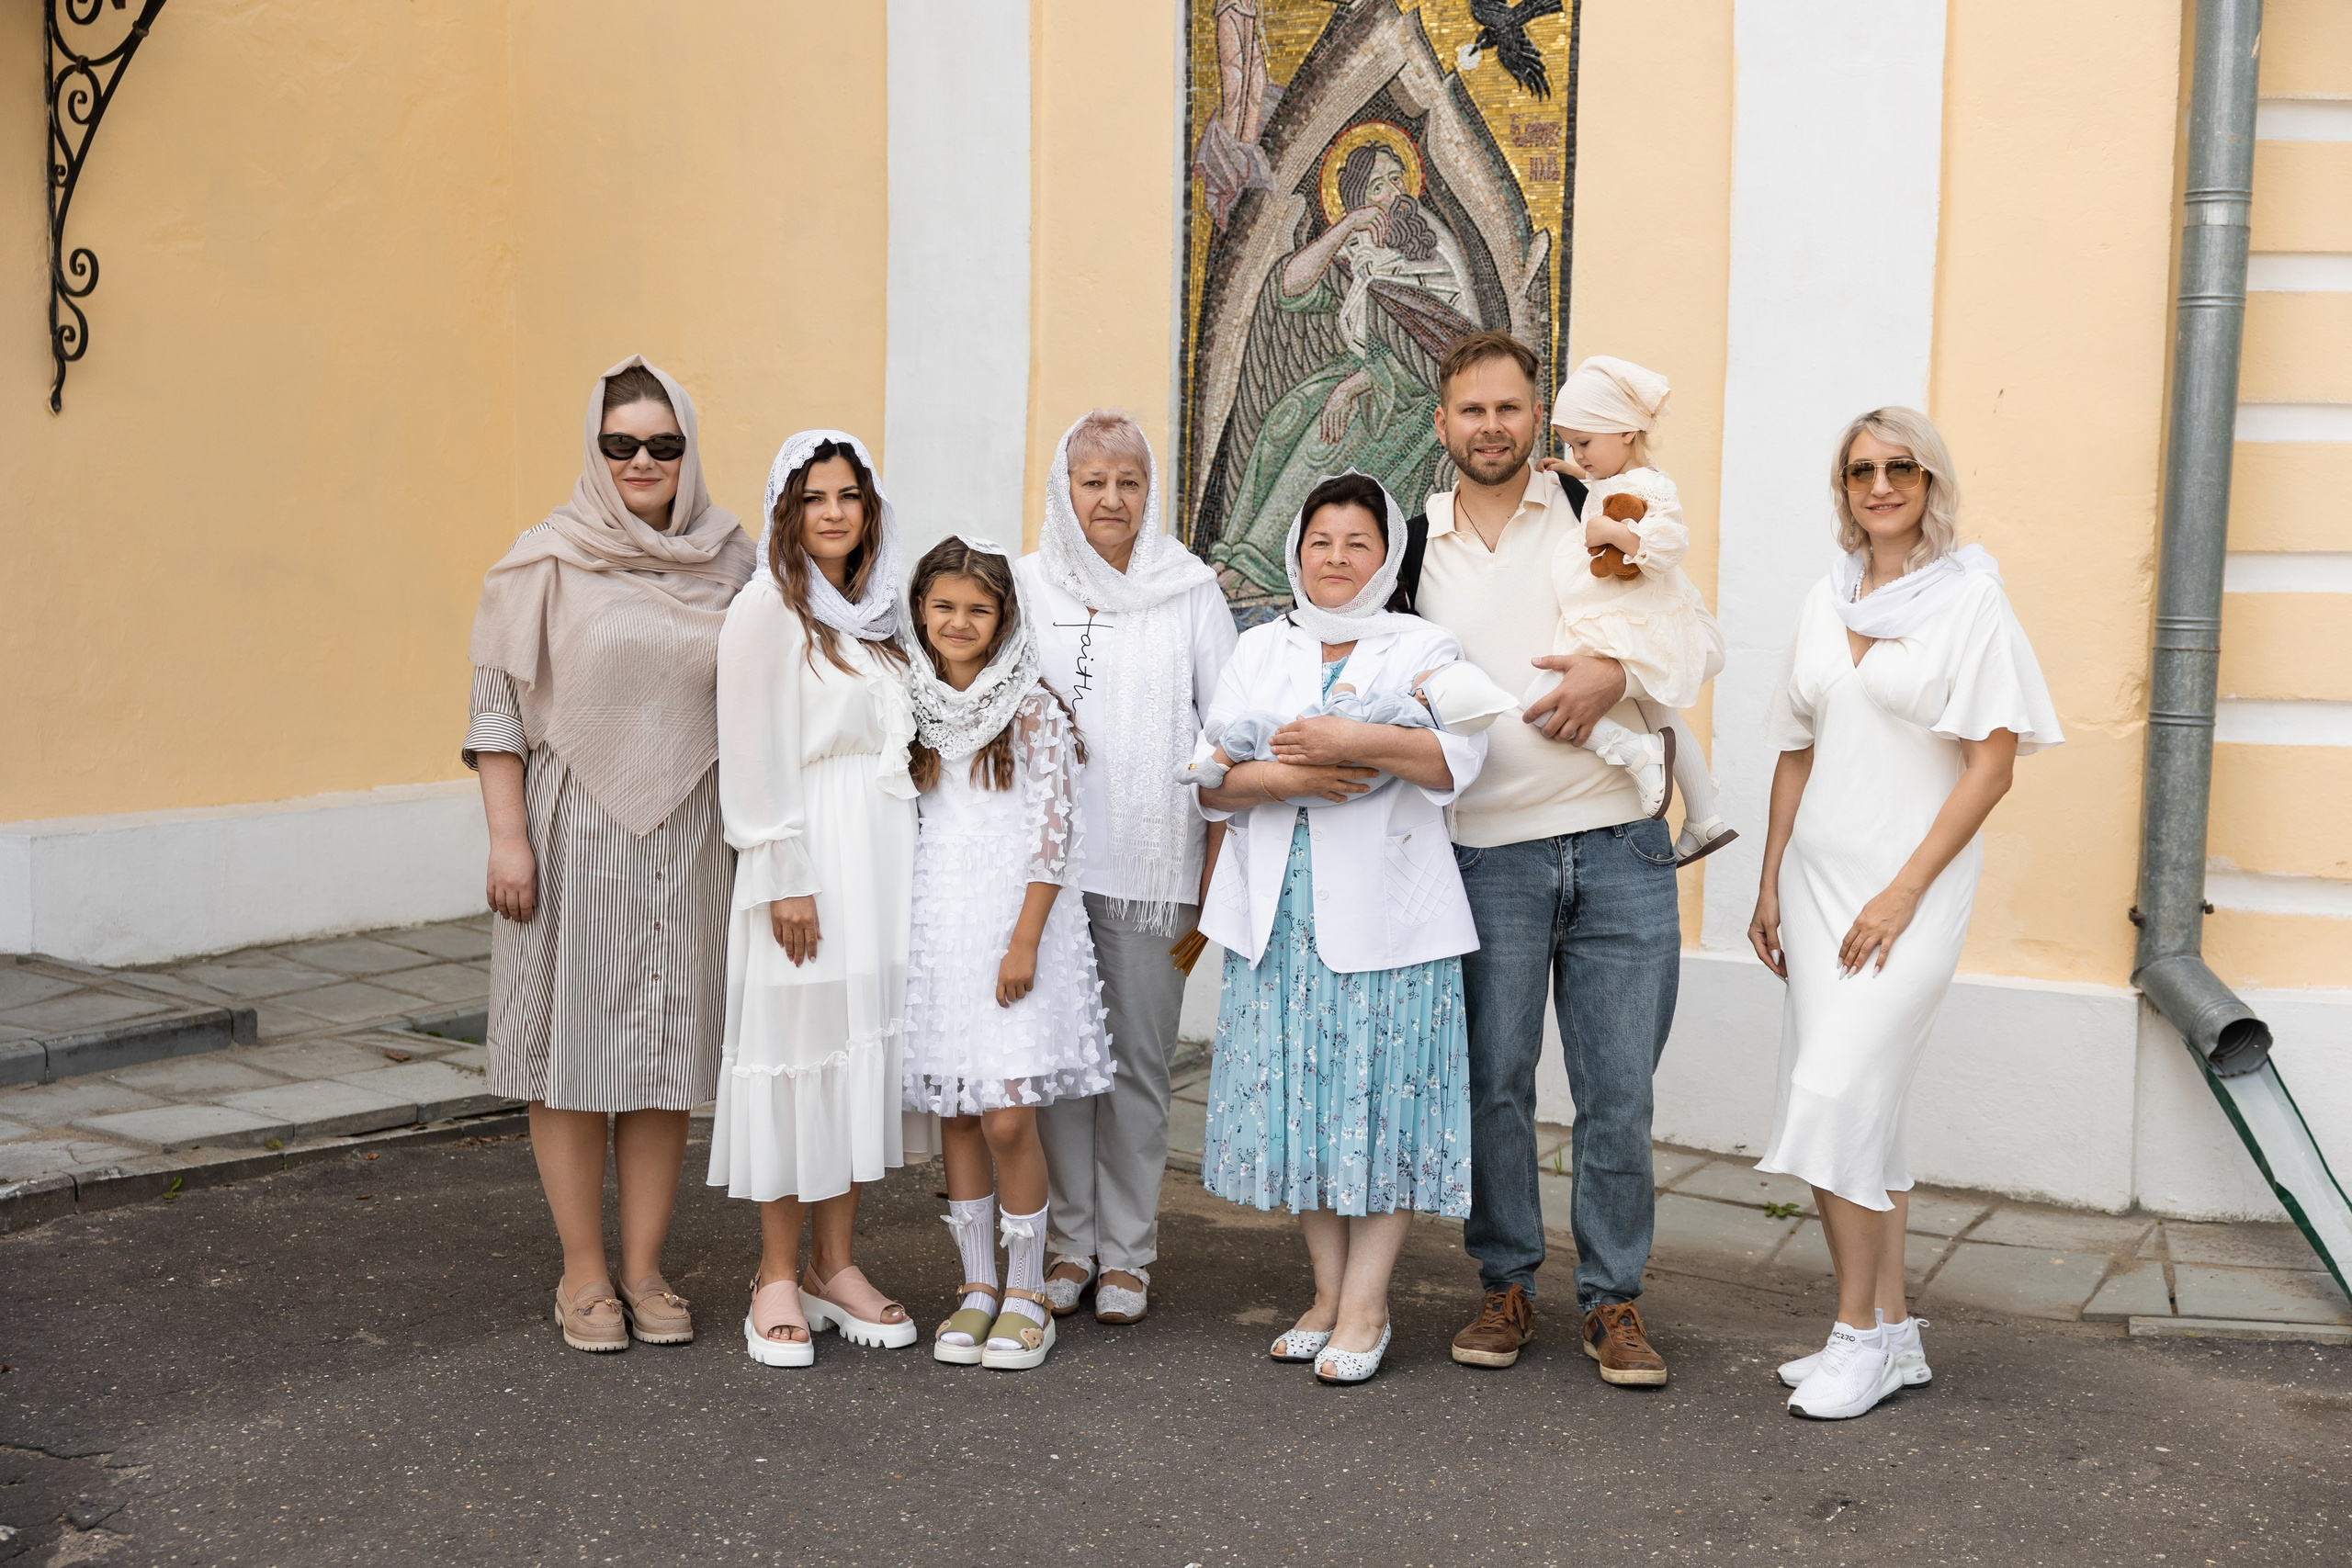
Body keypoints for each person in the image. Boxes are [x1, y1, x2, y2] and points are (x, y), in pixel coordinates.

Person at [1404, 331, 1707, 1387]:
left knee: (1618, 1090)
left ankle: (1613, 1301)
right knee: (1493, 1083)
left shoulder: (1602, 511)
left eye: (1509, 408)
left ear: (1539, 419)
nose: (1491, 426)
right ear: (1440, 425)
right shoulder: (1409, 549)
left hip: (1620, 842)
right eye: (1470, 411)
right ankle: (1503, 1283)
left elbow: (1696, 642)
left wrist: (1607, 669)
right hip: (1484, 859)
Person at [1748, 408, 2061, 1420]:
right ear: (1841, 489)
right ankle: (1891, 1336)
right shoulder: (1822, 597)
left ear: (1930, 481)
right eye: (1859, 471)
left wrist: (1903, 889)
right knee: (1864, 1116)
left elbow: (1992, 767)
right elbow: (1794, 748)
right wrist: (1766, 883)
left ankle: (1854, 1338)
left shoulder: (1969, 601)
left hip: (1907, 891)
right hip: (1816, 883)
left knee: (1835, 1094)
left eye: (1899, 468)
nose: (1879, 485)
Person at [465, 355, 754, 1353]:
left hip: (689, 836)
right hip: (570, 831)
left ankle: (643, 1266)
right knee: (573, 1059)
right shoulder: (542, 561)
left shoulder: (732, 561)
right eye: (621, 443)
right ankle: (582, 1272)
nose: (642, 460)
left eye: (662, 445)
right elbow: (497, 712)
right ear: (595, 449)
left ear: (688, 454)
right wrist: (508, 838)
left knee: (663, 1057)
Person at [1191, 472, 1486, 1385]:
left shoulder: (1422, 647)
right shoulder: (1259, 648)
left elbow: (1457, 756)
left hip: (1391, 917)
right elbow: (1208, 776)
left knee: (1381, 1103)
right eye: (1321, 540)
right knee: (1303, 1109)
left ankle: (1368, 1305)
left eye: (1357, 543)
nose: (1335, 559)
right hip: (1278, 913)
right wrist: (1286, 778)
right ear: (1297, 548)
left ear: (1387, 556)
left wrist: (1343, 743)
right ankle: (1324, 1295)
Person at [709, 429, 933, 1367]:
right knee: (797, 1052)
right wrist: (783, 876)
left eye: (848, 495)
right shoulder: (767, 609)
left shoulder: (878, 616)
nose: (833, 512)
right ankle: (772, 1274)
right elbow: (751, 751)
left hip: (880, 856)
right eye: (813, 498)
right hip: (807, 860)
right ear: (785, 513)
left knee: (850, 1060)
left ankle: (835, 1267)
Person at [1018, 412, 1238, 1327]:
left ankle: (1129, 1255)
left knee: (1140, 1068)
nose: (1110, 499)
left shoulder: (1189, 591)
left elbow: (1228, 738)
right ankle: (1069, 1245)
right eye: (1091, 481)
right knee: (1064, 1069)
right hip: (1045, 876)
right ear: (1063, 492)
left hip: (1156, 871)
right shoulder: (1027, 586)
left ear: (1150, 493)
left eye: (1128, 482)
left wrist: (1215, 879)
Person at [899, 538, 1114, 1371]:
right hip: (941, 928)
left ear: (1004, 619)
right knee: (957, 1109)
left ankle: (1029, 1292)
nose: (959, 622)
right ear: (921, 611)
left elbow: (1054, 837)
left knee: (1008, 1113)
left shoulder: (1031, 707)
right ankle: (977, 1284)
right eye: (944, 606)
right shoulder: (913, 702)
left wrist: (1024, 939)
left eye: (978, 609)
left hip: (1018, 926)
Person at [1532, 355, 1735, 862]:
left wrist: (1614, 532)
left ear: (1624, 432)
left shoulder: (1652, 487)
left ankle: (1633, 753)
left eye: (1584, 443)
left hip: (1629, 619)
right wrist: (1570, 469)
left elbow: (1668, 545)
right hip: (1623, 614)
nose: (1578, 453)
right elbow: (1603, 483)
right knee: (1665, 716)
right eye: (1570, 444)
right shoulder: (1614, 474)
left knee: (1543, 695)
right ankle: (1706, 819)